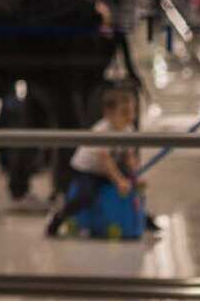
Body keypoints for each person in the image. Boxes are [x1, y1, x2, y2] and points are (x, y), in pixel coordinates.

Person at [6, 0, 114, 208]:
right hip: (54, 62)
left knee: (35, 122)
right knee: (70, 127)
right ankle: (66, 192)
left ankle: (21, 189)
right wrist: (93, 11)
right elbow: (59, 7)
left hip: (45, 60)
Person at [46, 87, 140, 237]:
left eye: (132, 111)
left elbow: (129, 156)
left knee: (134, 187)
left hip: (105, 169)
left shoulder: (128, 128)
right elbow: (106, 161)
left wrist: (136, 176)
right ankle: (60, 217)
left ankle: (139, 217)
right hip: (86, 170)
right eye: (124, 113)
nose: (130, 117)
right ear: (108, 114)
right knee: (87, 194)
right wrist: (119, 181)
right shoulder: (102, 131)